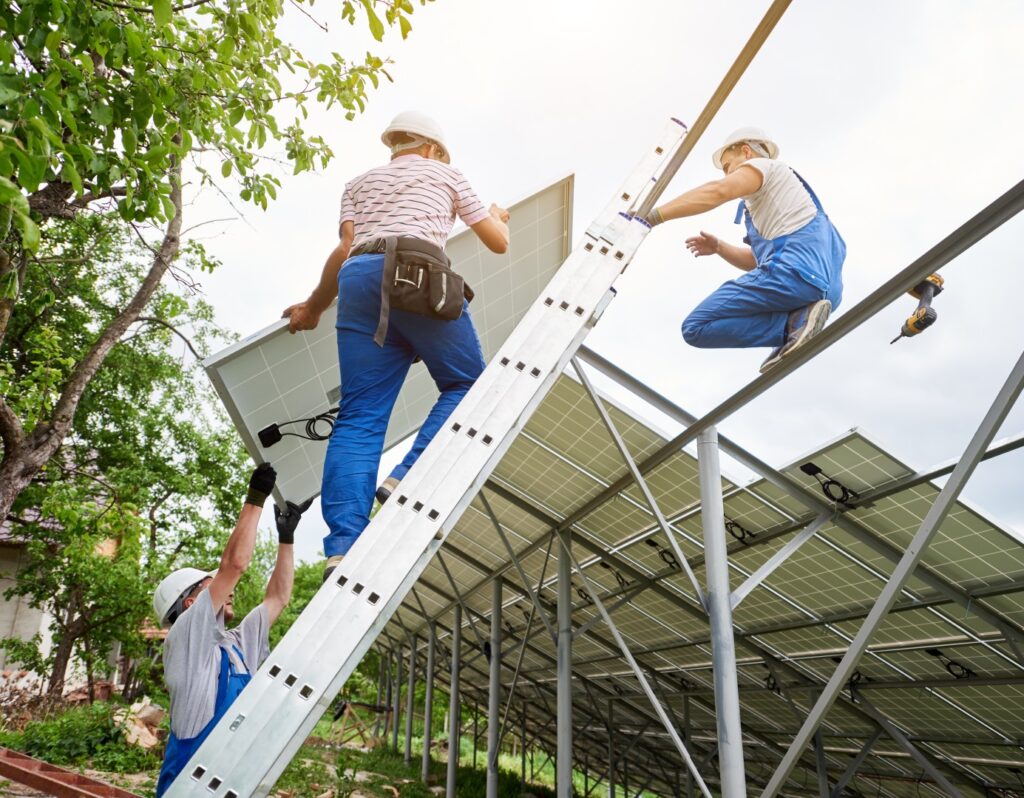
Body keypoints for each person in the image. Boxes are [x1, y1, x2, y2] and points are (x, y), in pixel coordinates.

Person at [282, 111, 510, 579]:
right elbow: (499, 243)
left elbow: (345, 249)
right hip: (420, 277)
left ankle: (343, 546)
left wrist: (312, 308)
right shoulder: (447, 174)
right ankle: (405, 477)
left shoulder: (358, 184)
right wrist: (497, 217)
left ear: (397, 146)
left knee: (360, 416)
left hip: (361, 281)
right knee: (468, 383)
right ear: (431, 149)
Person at [151, 463, 312, 796]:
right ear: (191, 606)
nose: (227, 589)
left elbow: (278, 598)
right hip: (189, 788)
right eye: (213, 586)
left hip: (230, 781)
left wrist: (287, 537)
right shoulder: (186, 641)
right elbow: (234, 565)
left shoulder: (236, 644)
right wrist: (256, 498)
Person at [642, 126, 846, 373]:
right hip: (823, 291)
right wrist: (719, 247)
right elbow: (757, 261)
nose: (728, 174)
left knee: (695, 327)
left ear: (746, 152)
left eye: (728, 166)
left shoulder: (767, 168)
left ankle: (792, 325)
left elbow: (718, 191)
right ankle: (798, 321)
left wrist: (652, 217)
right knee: (701, 325)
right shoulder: (785, 204)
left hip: (795, 276)